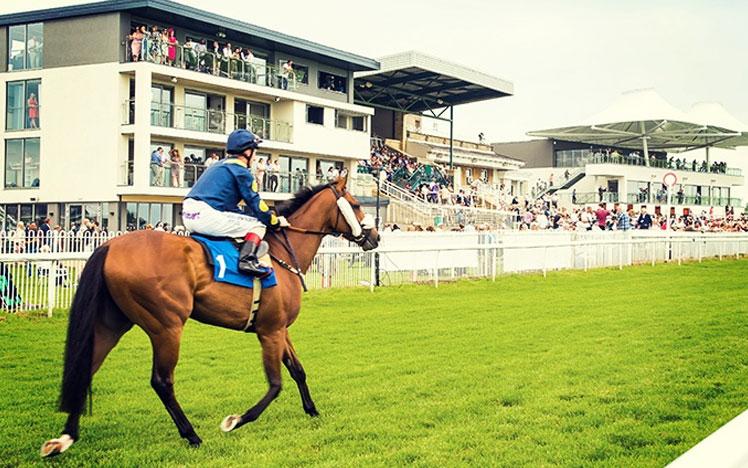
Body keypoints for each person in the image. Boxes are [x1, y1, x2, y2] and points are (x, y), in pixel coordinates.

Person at [182, 129, 289, 275]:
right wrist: (274, 221)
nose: (255, 156)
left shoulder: (218, 165)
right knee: (258, 225)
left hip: (188, 215)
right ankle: (246, 260)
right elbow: (256, 204)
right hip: (207, 215)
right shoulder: (241, 171)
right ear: (247, 152)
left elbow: (227, 206)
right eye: (255, 151)